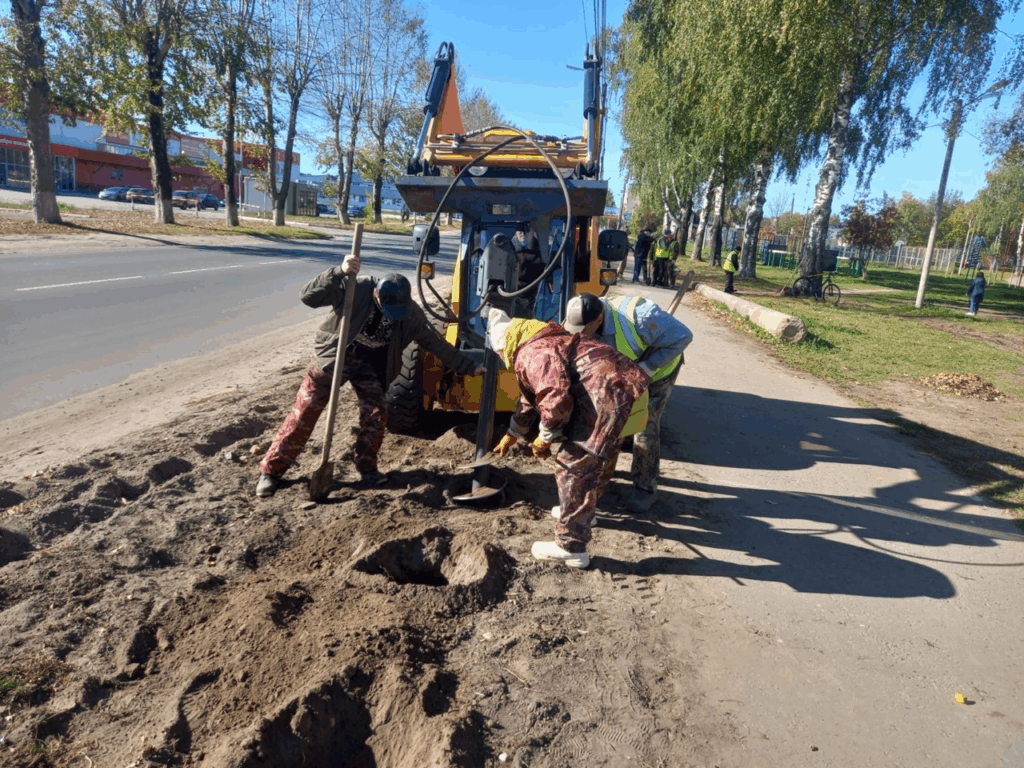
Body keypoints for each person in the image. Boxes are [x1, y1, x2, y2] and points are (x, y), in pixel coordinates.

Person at [256, 255, 485, 497]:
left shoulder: (410, 313)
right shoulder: (357, 287)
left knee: (377, 413)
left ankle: (366, 468)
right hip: (337, 355)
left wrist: (470, 367)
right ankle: (271, 471)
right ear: (376, 295)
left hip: (371, 364)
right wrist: (338, 272)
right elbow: (308, 297)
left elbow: (436, 344)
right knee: (305, 409)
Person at [488, 300, 650, 569]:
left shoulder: (533, 354)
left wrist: (545, 436)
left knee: (572, 465)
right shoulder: (545, 341)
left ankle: (571, 546)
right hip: (627, 391)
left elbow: (555, 398)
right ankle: (582, 514)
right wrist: (513, 432)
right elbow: (533, 396)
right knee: (598, 460)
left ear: (506, 345)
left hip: (607, 397)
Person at [576, 291, 693, 511]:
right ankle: (599, 480)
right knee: (608, 421)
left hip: (657, 375)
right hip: (623, 373)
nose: (580, 335)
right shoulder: (582, 314)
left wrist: (646, 369)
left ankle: (644, 486)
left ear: (599, 320)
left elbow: (683, 336)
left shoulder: (640, 316)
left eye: (584, 331)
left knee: (644, 428)